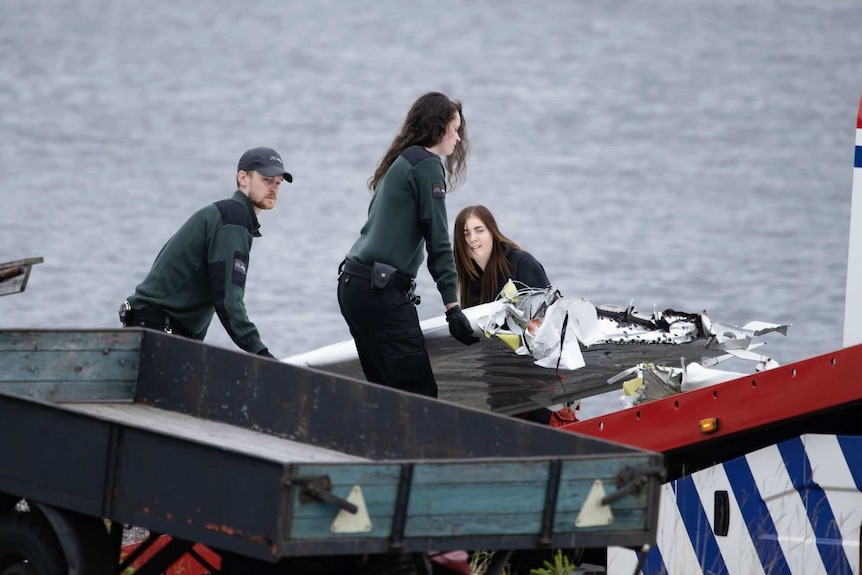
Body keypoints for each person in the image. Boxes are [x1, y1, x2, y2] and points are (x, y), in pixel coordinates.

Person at [337, 92, 478, 398]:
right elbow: (438, 238)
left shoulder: (400, 162)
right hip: (380, 291)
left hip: (353, 285)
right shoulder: (427, 165)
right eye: (453, 129)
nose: (457, 137)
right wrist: (452, 307)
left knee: (387, 393)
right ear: (437, 127)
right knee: (419, 395)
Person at [119, 147, 292, 359]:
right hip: (156, 331)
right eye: (267, 180)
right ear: (243, 178)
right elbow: (228, 301)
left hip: (151, 327)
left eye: (278, 182)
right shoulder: (233, 220)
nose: (274, 188)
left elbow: (209, 293)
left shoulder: (225, 215)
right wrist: (262, 354)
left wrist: (194, 343)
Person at [453, 205, 551, 307]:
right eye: (465, 234)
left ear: (492, 232)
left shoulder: (522, 263)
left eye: (479, 230)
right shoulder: (470, 278)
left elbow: (547, 311)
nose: (472, 238)